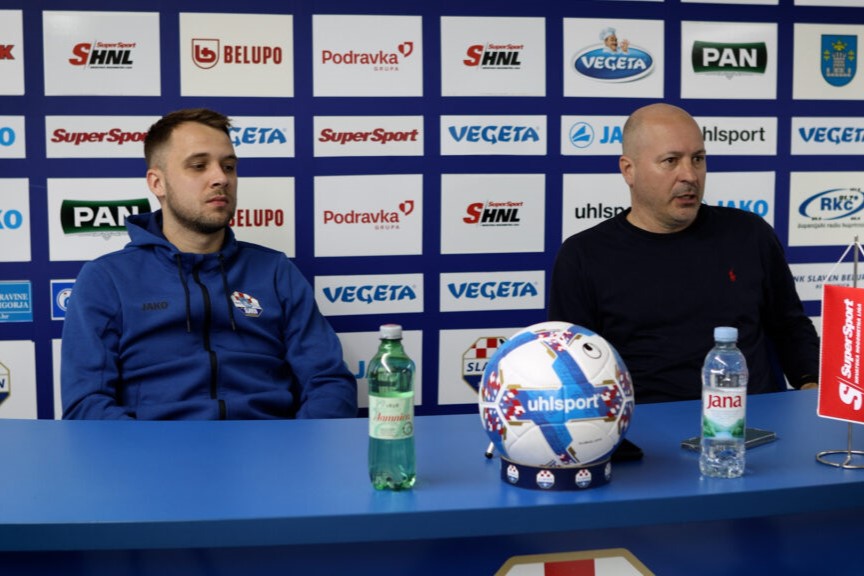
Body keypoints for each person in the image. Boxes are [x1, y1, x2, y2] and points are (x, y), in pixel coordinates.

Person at [62, 108, 358, 420]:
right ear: (157, 183)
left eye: (228, 166)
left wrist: (296, 443)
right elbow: (87, 404)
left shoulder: (275, 271)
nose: (221, 178)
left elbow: (329, 382)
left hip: (268, 443)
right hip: (155, 446)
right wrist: (149, 447)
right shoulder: (107, 279)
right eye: (199, 166)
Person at [549, 103, 819, 403]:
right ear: (629, 170)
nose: (689, 175)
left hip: (748, 420)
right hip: (642, 425)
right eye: (671, 161)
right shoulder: (583, 255)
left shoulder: (750, 234)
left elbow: (790, 326)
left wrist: (812, 386)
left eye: (698, 159)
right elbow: (573, 368)